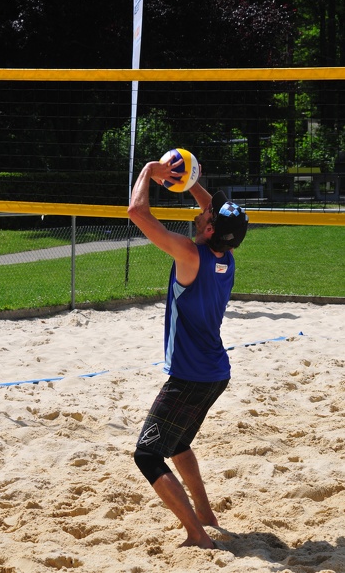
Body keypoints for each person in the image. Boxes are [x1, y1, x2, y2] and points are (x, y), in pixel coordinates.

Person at [127, 156, 248, 549]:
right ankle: (207, 516)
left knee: (147, 455)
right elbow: (211, 207)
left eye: (208, 214)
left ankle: (197, 535)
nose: (204, 210)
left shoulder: (188, 253)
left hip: (191, 378)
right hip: (215, 374)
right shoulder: (224, 258)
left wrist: (149, 171)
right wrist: (185, 178)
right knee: (177, 444)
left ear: (210, 228)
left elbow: (136, 212)